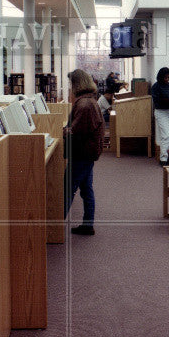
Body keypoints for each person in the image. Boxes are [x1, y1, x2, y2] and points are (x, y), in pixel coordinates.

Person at [64, 69, 104, 236]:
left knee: (67, 188)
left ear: (76, 84)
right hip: (87, 152)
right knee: (86, 189)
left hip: (82, 154)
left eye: (71, 84)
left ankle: (54, 227)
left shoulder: (84, 104)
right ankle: (88, 224)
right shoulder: (88, 101)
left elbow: (76, 131)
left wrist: (63, 131)